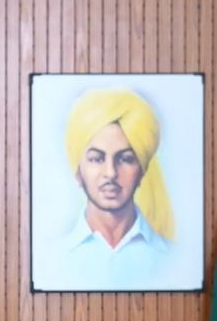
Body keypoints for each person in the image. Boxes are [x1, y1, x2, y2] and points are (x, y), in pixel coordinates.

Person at [42, 87, 175, 290]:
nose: (111, 173)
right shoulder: (52, 261)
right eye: (97, 159)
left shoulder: (171, 258)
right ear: (78, 171)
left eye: (125, 159)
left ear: (142, 171)